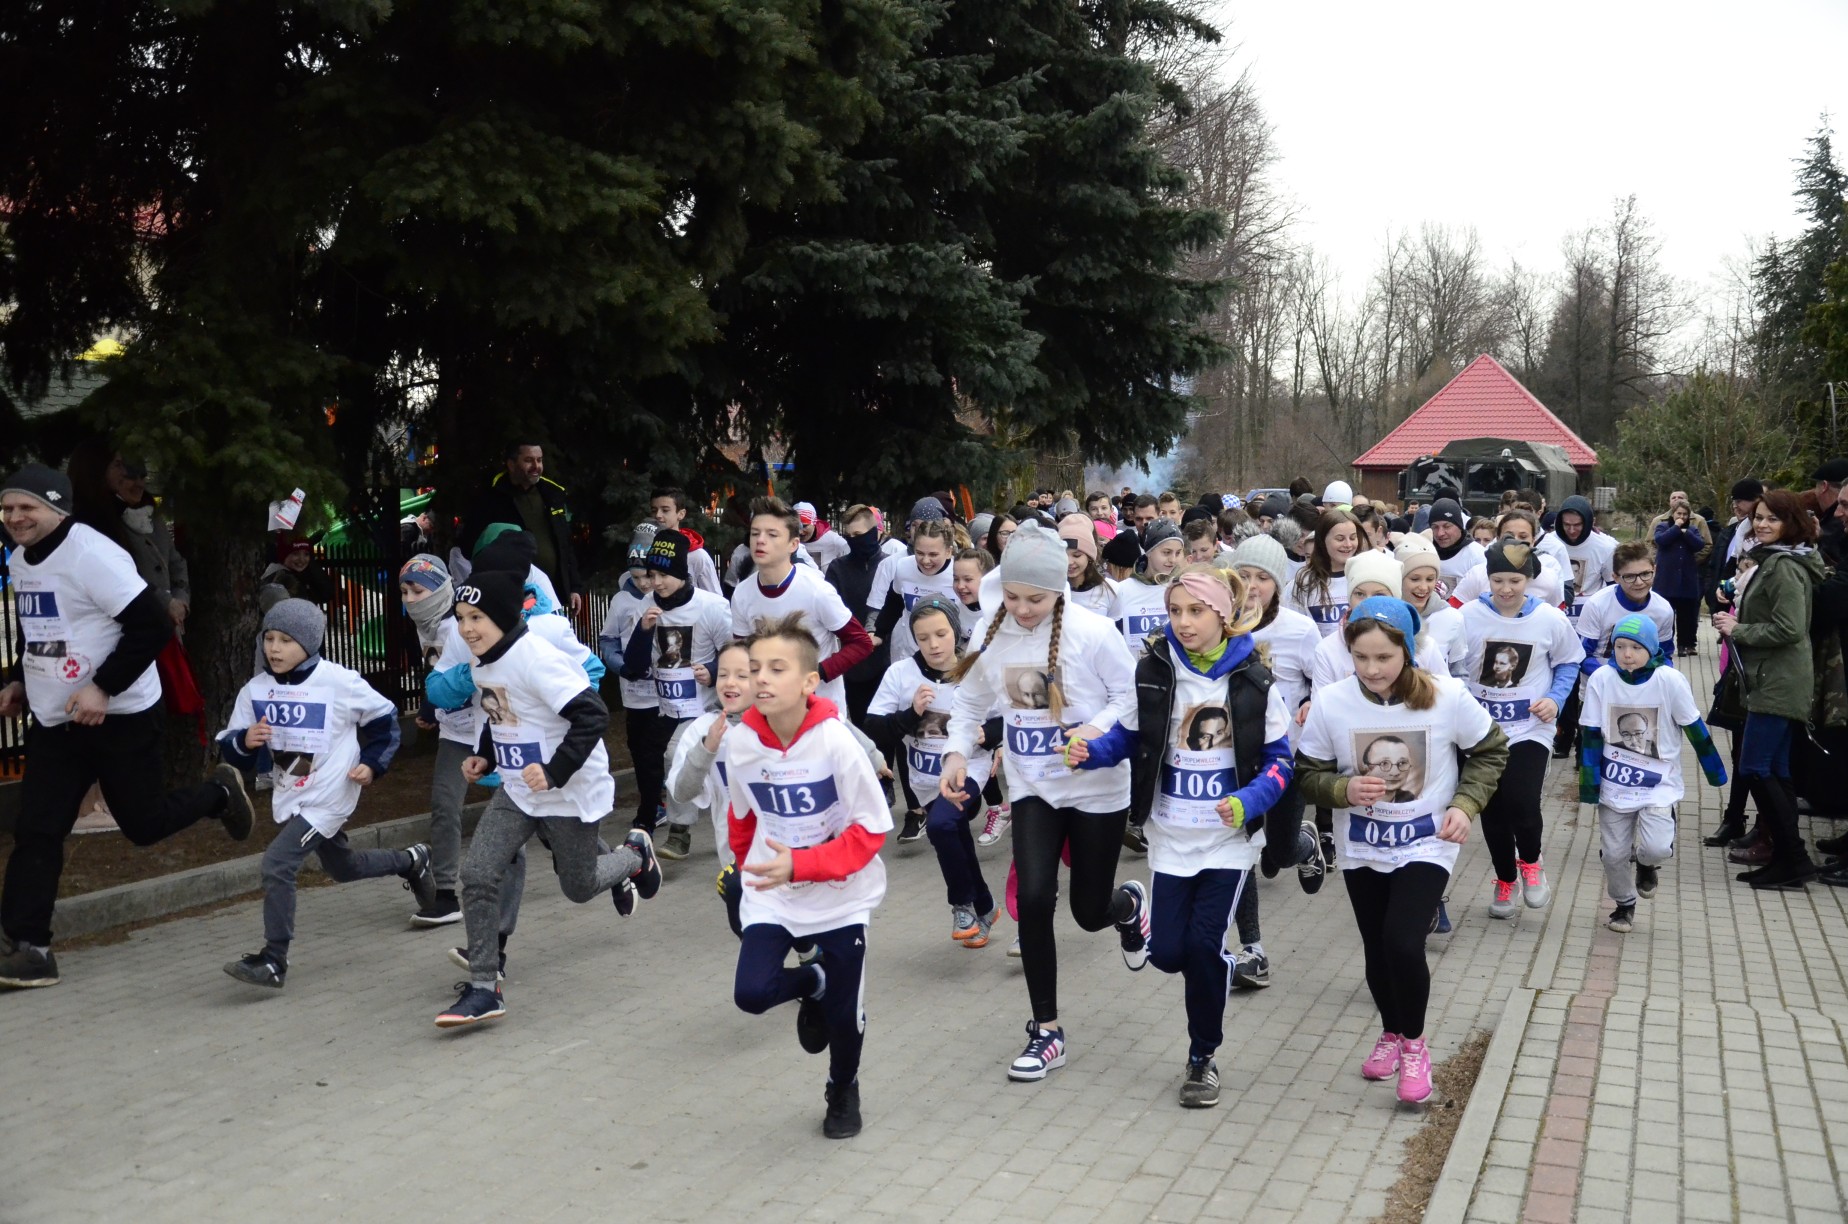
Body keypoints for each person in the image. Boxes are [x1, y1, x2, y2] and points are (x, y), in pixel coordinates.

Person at [0, 465, 256, 989]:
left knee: (142, 824)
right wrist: (21, 681)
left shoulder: (93, 555)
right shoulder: (22, 559)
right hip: (57, 719)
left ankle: (218, 794)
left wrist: (103, 688)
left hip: (122, 716)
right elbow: (41, 627)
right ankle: (29, 948)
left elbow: (153, 626)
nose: (14, 517)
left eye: (27, 507)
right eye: (6, 508)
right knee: (37, 829)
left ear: (57, 507)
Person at [1068, 564, 1295, 1107]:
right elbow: (1130, 736)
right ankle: (1141, 914)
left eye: (1196, 611)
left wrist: (1247, 802)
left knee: (1201, 946)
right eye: (1174, 611)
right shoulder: (1155, 669)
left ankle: (1202, 1057)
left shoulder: (1254, 681)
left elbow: (1280, 762)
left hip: (1228, 843)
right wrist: (1090, 751)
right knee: (1168, 953)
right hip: (1169, 835)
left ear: (1223, 614)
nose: (1183, 622)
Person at [938, 521, 1144, 1083]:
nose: (1023, 609)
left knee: (1087, 911)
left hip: (1098, 789)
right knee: (1032, 899)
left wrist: (1092, 732)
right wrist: (957, 756)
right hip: (1034, 787)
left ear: (1061, 590)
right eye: (1013, 596)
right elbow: (967, 706)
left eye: (1036, 598)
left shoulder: (1094, 632)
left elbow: (1130, 699)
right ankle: (1046, 1030)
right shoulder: (989, 630)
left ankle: (1126, 908)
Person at [1296, 597, 1508, 1104]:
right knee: (1376, 944)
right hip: (1362, 843)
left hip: (1427, 842)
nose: (1371, 669)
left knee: (1403, 942)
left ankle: (1414, 1045)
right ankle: (1390, 1031)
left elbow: (1492, 750)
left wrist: (1465, 803)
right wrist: (1341, 792)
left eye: (1383, 658)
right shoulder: (1332, 702)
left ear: (1407, 653)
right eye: (1361, 657)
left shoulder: (1445, 696)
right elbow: (1307, 773)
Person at [436, 572, 661, 1028]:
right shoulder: (484, 661)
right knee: (477, 873)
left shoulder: (536, 658)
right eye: (461, 618)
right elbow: (499, 712)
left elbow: (592, 715)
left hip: (567, 790)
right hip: (518, 790)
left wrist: (555, 771)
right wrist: (483, 755)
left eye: (476, 617)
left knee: (578, 888)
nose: (467, 629)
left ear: (502, 615)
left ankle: (633, 856)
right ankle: (484, 988)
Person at [722, 614, 889, 1140]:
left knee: (844, 1016)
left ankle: (843, 1088)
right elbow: (743, 816)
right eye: (754, 670)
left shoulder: (837, 743)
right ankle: (810, 980)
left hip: (841, 895)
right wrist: (741, 871)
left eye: (776, 668)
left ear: (809, 681)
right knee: (751, 993)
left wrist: (805, 862)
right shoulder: (742, 743)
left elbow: (871, 831)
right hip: (777, 895)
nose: (761, 680)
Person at [215, 599, 438, 987]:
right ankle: (411, 860)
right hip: (291, 794)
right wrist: (246, 742)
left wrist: (372, 763)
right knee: (342, 867)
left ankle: (273, 959)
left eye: (286, 640)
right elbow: (231, 748)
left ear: (310, 643)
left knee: (277, 864)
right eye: (269, 638)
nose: (274, 648)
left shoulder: (339, 682)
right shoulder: (255, 690)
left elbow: (385, 720)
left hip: (330, 795)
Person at [1451, 540, 1583, 918]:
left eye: (1515, 580)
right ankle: (1505, 878)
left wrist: (1556, 699)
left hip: (1530, 727)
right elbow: (1449, 665)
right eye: (1497, 580)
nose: (1506, 589)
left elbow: (1570, 662)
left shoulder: (1549, 620)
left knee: (1522, 803)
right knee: (1491, 810)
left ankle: (1531, 863)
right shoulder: (1467, 617)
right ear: (1486, 580)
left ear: (1529, 580)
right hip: (1480, 730)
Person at [866, 598, 1005, 947]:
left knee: (943, 826)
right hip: (925, 780)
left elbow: (1012, 717)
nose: (933, 644)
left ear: (955, 632)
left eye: (941, 634)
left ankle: (961, 904)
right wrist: (911, 714)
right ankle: (985, 906)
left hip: (970, 770)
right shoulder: (900, 674)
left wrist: (988, 735)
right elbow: (872, 729)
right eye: (923, 637)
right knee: (952, 834)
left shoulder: (979, 669)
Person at [1579, 615, 1727, 931]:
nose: (1626, 654)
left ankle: (1647, 865)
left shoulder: (1669, 680)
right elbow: (1590, 733)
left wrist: (1715, 772)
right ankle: (1624, 905)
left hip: (1659, 785)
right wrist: (1589, 785)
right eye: (1620, 646)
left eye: (1635, 647)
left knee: (1657, 846)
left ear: (1651, 648)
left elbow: (1694, 728)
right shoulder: (1602, 679)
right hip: (1615, 786)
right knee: (1613, 856)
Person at [1710, 489, 1826, 889]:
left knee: (1755, 767)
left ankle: (1793, 858)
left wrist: (1738, 629)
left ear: (1790, 523)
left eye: (1771, 519)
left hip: (1778, 682)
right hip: (1773, 678)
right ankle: (1787, 858)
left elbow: (1791, 628)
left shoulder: (1785, 567)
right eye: (1758, 517)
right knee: (1774, 769)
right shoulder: (1776, 560)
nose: (1761, 524)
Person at [621, 529, 732, 857]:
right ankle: (681, 826)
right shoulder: (646, 606)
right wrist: (643, 632)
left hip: (709, 705)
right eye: (652, 574)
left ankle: (680, 831)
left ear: (682, 573)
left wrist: (712, 671)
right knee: (675, 760)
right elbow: (634, 666)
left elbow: (736, 652)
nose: (656, 582)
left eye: (664, 574)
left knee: (676, 756)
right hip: (668, 707)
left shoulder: (712, 607)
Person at [730, 496, 875, 719]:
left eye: (772, 534)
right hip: (769, 715)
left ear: (793, 544)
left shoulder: (816, 590)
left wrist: (818, 672)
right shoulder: (742, 593)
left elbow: (861, 643)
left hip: (820, 715)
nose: (760, 540)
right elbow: (742, 653)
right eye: (755, 533)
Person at [401, 553, 479, 926]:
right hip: (455, 733)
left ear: (438, 590)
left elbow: (468, 676)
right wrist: (431, 709)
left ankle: (598, 860)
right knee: (445, 808)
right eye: (404, 591)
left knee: (538, 810)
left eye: (416, 590)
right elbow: (436, 672)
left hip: (491, 730)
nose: (410, 599)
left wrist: (432, 708)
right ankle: (446, 896)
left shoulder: (459, 625)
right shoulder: (426, 626)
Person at [460, 442, 583, 615]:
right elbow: (471, 547)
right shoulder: (491, 498)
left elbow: (565, 545)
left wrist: (574, 587)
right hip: (512, 595)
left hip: (552, 593)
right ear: (511, 464)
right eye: (529, 460)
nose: (536, 466)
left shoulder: (552, 494)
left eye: (539, 460)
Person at [599, 525, 664, 832]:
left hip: (664, 694)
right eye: (637, 577)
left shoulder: (667, 597)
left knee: (656, 753)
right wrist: (621, 666)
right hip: (634, 693)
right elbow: (608, 640)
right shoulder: (621, 601)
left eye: (648, 577)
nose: (643, 584)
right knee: (639, 751)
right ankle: (653, 805)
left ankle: (652, 810)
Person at [1575, 541, 1677, 674]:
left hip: (1643, 686)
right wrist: (1616, 678)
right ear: (1615, 577)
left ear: (1655, 570)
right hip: (1601, 684)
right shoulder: (1597, 605)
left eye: (1646, 574)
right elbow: (1582, 656)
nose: (1639, 582)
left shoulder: (1663, 609)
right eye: (1630, 576)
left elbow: (1664, 655)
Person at [1111, 518, 1183, 665]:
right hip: (1132, 675)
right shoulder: (1123, 590)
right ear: (1149, 552)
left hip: (1172, 673)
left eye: (1178, 553)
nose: (1173, 559)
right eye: (1166, 552)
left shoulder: (1182, 588)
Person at [1289, 509, 1361, 635]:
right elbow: (1293, 630)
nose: (1348, 544)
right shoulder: (1303, 581)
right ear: (1323, 540)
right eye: (1340, 539)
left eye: (1353, 538)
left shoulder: (1365, 576)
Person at [1653, 504, 1707, 657]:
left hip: (1686, 580)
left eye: (1684, 514)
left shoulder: (1692, 530)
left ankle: (1685, 644)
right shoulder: (1663, 526)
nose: (1681, 517)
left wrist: (1686, 533)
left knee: (1687, 616)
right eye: (1679, 513)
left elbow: (1699, 544)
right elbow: (1660, 540)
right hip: (1666, 581)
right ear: (1673, 514)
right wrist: (1676, 529)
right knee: (1666, 615)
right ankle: (1665, 645)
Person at [1423, 498, 1484, 602]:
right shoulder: (1424, 552)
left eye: (1447, 526)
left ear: (1459, 526)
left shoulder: (1478, 555)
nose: (1440, 533)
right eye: (1435, 527)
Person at [1059, 514, 1114, 616]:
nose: (1069, 562)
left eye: (1077, 555)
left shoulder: (1111, 589)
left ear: (1089, 556)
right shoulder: (1050, 592)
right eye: (1063, 554)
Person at [794, 501, 849, 572]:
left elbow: (850, 568)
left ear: (814, 522)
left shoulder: (835, 541)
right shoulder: (788, 541)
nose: (800, 531)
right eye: (796, 527)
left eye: (804, 526)